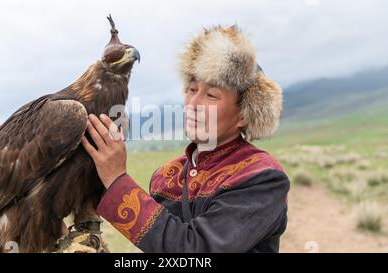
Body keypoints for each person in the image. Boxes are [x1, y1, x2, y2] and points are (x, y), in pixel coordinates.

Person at [80, 25, 289, 253]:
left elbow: (196, 251)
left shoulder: (262, 177)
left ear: (242, 114)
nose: (193, 104)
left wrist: (117, 179)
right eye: (191, 90)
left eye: (211, 95)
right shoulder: (166, 176)